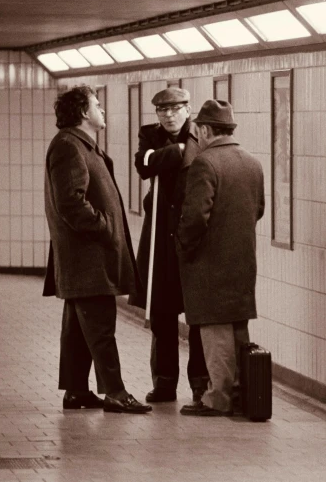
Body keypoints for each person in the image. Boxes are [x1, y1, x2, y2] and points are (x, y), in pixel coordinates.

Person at [43, 85, 152, 414]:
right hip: (86, 256)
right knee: (101, 327)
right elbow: (70, 202)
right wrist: (104, 226)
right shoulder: (69, 147)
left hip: (87, 256)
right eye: (97, 105)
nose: (103, 110)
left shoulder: (80, 145)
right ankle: (116, 393)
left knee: (79, 328)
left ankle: (76, 390)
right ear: (82, 113)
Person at [176, 99, 265, 416]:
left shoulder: (205, 163)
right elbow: (259, 210)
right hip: (242, 261)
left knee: (214, 332)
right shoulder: (252, 162)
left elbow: (196, 217)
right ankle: (241, 392)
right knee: (238, 329)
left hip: (209, 264)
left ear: (203, 129)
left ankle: (218, 397)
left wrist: (184, 246)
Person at [129, 87, 209, 404]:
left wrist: (164, 156)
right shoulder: (150, 134)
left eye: (175, 109)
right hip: (161, 234)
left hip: (192, 235)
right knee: (162, 314)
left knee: (198, 314)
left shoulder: (202, 135)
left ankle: (200, 384)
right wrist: (173, 153)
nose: (169, 115)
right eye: (162, 111)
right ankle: (164, 382)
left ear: (188, 109)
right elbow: (143, 165)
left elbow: (156, 162)